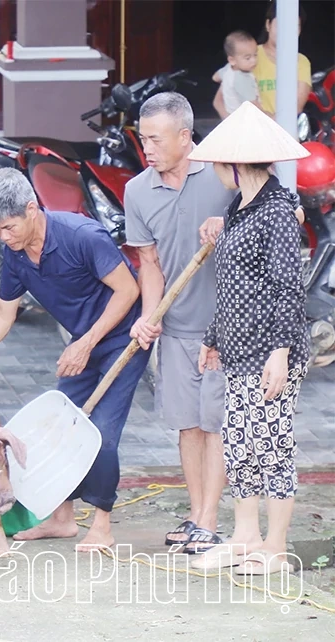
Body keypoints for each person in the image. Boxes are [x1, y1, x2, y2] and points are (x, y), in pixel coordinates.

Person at [0, 168, 148, 551]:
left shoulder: (82, 237)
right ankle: (62, 519)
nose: (3, 237)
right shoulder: (15, 255)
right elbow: (2, 314)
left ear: (32, 209)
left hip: (120, 343)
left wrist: (88, 342)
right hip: (82, 344)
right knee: (58, 431)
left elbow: (128, 291)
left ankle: (102, 525)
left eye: (9, 227)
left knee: (101, 435)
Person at [190, 102, 311, 575]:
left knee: (271, 443)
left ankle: (275, 547)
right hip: (239, 350)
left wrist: (280, 352)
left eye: (220, 164)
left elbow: (287, 287)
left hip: (271, 351)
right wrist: (213, 335)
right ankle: (245, 536)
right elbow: (233, 282)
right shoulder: (239, 207)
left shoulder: (278, 211)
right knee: (239, 442)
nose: (217, 172)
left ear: (234, 164)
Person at [124, 92, 234, 554]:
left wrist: (227, 222)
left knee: (216, 425)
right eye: (143, 138)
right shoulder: (137, 190)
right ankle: (196, 514)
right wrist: (151, 317)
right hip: (177, 329)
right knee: (188, 426)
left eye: (155, 138)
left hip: (227, 330)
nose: (146, 147)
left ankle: (209, 520)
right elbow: (149, 264)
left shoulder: (224, 174)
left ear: (185, 137)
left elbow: (283, 214)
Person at [213, 1, 311, 120]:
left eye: (295, 26)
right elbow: (218, 101)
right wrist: (233, 125)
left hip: (283, 131)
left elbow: (297, 106)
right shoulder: (249, 56)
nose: (287, 31)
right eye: (281, 25)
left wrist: (273, 126)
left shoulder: (301, 62)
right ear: (268, 25)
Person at [211, 31, 260, 116]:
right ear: (232, 60)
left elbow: (215, 77)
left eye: (255, 55)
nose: (254, 61)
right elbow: (254, 107)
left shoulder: (228, 68)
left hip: (231, 116)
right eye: (247, 58)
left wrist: (227, 85)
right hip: (244, 120)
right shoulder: (242, 79)